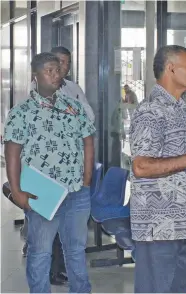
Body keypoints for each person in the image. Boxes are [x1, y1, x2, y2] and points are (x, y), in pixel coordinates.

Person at [129, 45, 186, 293]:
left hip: (183, 224)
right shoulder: (151, 111)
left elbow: (175, 165)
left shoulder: (178, 109)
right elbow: (141, 166)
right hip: (159, 228)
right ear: (171, 69)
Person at [4, 52, 95, 293]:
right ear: (36, 75)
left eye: (58, 70)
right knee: (40, 251)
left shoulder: (73, 106)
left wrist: (86, 179)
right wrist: (17, 191)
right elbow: (12, 152)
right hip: (42, 194)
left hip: (76, 191)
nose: (56, 75)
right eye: (50, 71)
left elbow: (88, 140)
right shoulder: (21, 112)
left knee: (75, 250)